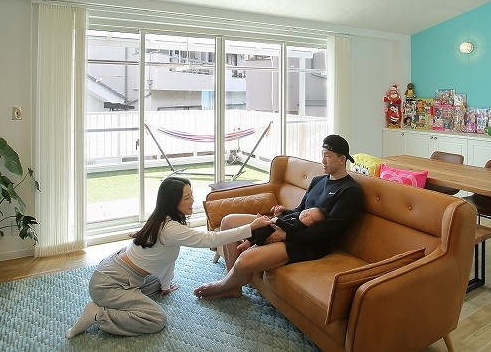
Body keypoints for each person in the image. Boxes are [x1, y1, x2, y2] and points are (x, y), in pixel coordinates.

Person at [66, 177, 271, 338]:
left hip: (123, 274)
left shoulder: (163, 219)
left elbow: (168, 257)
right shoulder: (171, 228)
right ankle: (98, 314)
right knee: (156, 319)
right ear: (173, 202)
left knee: (155, 286)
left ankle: (119, 301)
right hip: (109, 283)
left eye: (191, 195)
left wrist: (164, 285)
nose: (193, 201)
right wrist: (251, 227)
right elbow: (210, 239)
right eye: (187, 198)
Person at [193, 134, 363, 300]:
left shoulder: (350, 191)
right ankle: (233, 286)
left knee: (245, 260)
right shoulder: (318, 181)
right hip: (291, 225)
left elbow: (329, 230)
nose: (323, 161)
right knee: (228, 221)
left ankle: (223, 285)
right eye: (322, 155)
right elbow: (300, 210)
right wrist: (282, 214)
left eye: (328, 156)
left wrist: (286, 235)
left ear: (342, 159)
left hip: (308, 244)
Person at [237, 207, 327, 251]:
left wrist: (277, 220)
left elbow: (290, 228)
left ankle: (257, 245)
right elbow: (289, 213)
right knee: (256, 227)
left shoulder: (300, 225)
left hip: (273, 229)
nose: (306, 214)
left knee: (262, 232)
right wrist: (282, 211)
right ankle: (247, 242)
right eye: (307, 211)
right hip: (272, 221)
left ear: (311, 225)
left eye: (310, 217)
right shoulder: (297, 214)